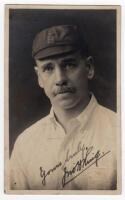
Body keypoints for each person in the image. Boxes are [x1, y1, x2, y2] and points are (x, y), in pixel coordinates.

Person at [10, 24, 117, 190]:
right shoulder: (25, 144)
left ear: (89, 68)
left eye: (69, 64)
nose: (60, 78)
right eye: (48, 68)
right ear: (39, 77)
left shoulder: (119, 132)